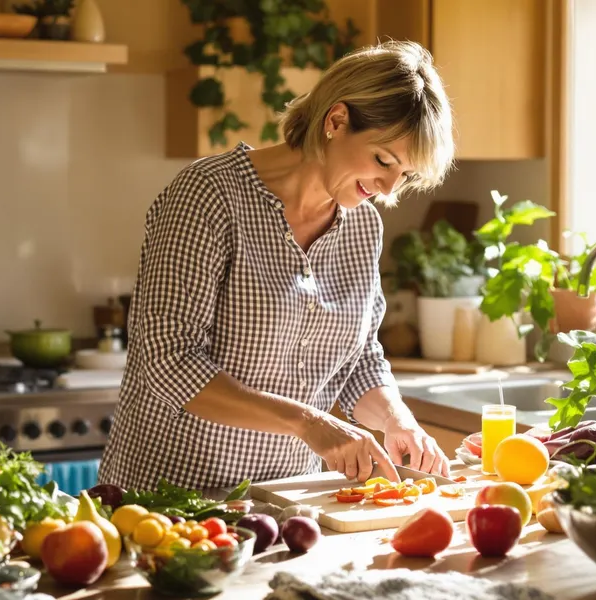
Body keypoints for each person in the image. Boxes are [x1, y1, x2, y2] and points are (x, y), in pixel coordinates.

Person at [99, 40, 456, 493]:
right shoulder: (208, 196)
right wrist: (309, 422)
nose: (388, 188)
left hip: (287, 500)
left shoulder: (363, 226)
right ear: (336, 120)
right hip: (170, 500)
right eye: (383, 160)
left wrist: (396, 418)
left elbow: (359, 359)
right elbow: (169, 360)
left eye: (404, 175)